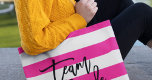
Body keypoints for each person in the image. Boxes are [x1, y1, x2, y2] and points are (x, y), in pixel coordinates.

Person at [14, 0, 152, 60]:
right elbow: (33, 43)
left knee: (118, 2)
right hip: (73, 65)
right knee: (141, 12)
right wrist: (79, 18)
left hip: (73, 46)